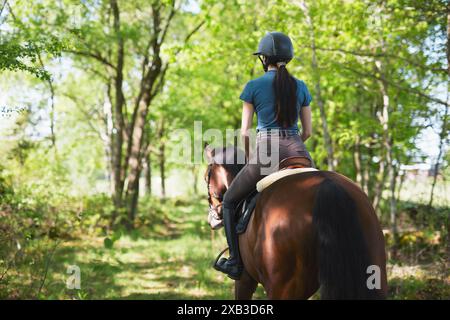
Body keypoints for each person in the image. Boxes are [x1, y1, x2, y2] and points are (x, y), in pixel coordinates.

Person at [213, 31, 315, 280]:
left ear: (263, 59)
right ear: (287, 58)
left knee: (228, 202)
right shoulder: (301, 86)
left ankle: (235, 262)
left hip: (267, 154)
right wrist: (292, 146)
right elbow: (309, 132)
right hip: (300, 154)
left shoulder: (253, 86)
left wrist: (252, 158)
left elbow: (245, 133)